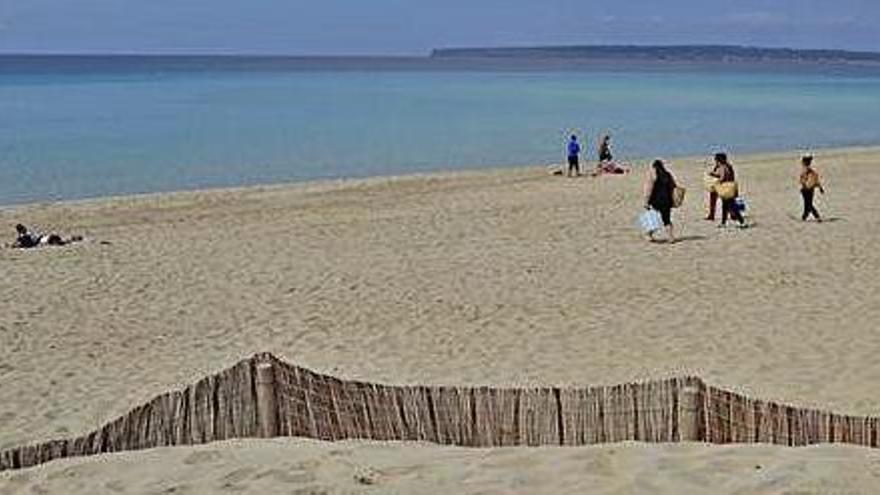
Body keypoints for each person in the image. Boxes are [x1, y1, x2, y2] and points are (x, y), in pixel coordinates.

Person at [643, 159, 678, 243]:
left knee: (654, 218)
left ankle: (649, 235)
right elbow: (674, 186)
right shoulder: (668, 175)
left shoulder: (653, 175)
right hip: (667, 200)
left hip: (656, 200)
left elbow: (649, 189)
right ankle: (671, 237)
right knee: (667, 219)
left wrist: (646, 201)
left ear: (654, 167)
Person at [714, 156, 747, 228]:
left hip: (726, 189)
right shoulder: (728, 166)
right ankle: (723, 223)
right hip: (730, 188)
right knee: (725, 206)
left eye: (716, 160)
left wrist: (716, 180)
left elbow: (722, 177)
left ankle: (742, 222)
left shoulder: (722, 167)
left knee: (731, 206)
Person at [799, 154, 825, 222]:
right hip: (809, 189)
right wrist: (820, 187)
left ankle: (817, 216)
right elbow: (815, 180)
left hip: (806, 189)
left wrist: (803, 185)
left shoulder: (806, 170)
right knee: (807, 204)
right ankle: (804, 217)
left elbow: (803, 180)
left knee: (808, 204)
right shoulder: (812, 171)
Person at [13, 223, 80, 249]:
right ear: (21, 230)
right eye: (23, 228)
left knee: (56, 238)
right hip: (41, 241)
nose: (25, 228)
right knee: (55, 240)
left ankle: (71, 239)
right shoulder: (23, 237)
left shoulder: (25, 235)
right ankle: (71, 239)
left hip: (42, 238)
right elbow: (29, 244)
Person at [705, 152, 727, 220]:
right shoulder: (720, 166)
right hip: (721, 185)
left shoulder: (723, 166)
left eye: (716, 159)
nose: (715, 160)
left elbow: (722, 176)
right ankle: (711, 215)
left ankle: (712, 215)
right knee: (714, 199)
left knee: (727, 202)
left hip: (723, 185)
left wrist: (714, 175)